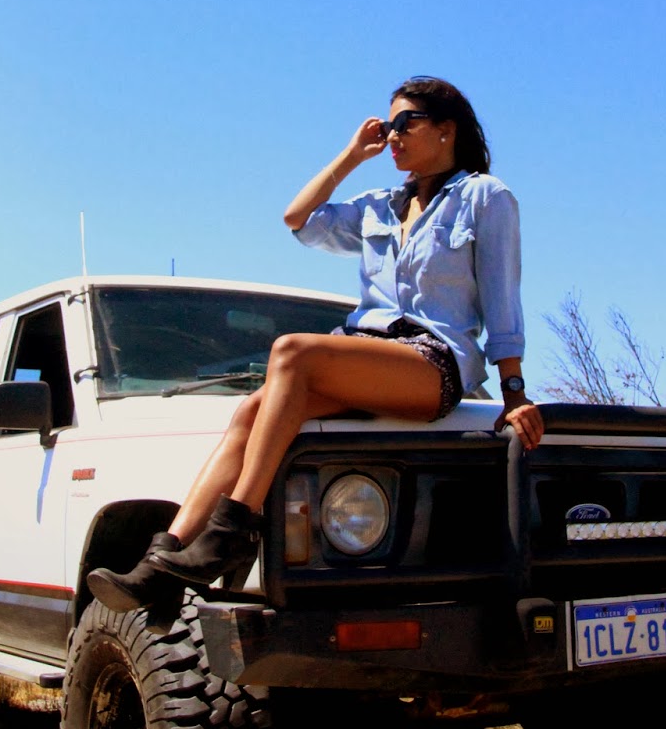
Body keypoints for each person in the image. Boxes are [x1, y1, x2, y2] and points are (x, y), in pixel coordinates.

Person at [87, 76, 545, 615]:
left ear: (446, 130)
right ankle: (161, 563)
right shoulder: (380, 206)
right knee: (251, 411)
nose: (392, 136)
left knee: (291, 352)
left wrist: (514, 392)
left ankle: (233, 531)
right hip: (366, 356)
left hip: (431, 363)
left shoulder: (484, 197)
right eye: (387, 126)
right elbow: (297, 218)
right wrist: (352, 155)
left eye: (405, 123)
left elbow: (502, 297)